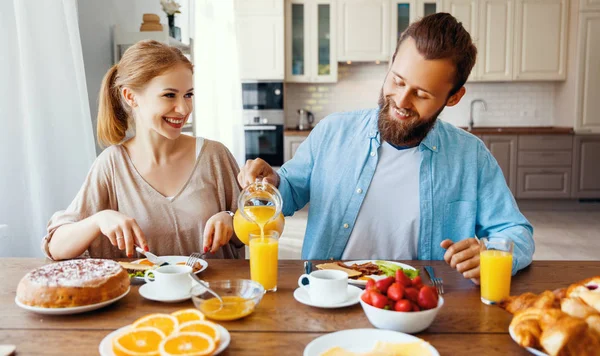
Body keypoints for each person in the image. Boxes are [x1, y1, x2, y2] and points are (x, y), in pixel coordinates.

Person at [238, 13, 534, 283]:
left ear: (453, 97)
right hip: (330, 295)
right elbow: (288, 190)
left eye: (421, 93)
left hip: (417, 305)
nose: (402, 101)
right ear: (391, 63)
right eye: (397, 80)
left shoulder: (471, 156)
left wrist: (491, 252)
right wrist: (271, 183)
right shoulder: (333, 132)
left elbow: (516, 233)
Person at [43, 40, 243, 261]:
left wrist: (232, 219)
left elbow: (262, 223)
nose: (184, 109)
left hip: (215, 294)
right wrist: (99, 220)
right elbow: (56, 247)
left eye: (188, 95)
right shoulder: (112, 165)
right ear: (130, 97)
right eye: (169, 95)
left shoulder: (214, 155)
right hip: (141, 296)